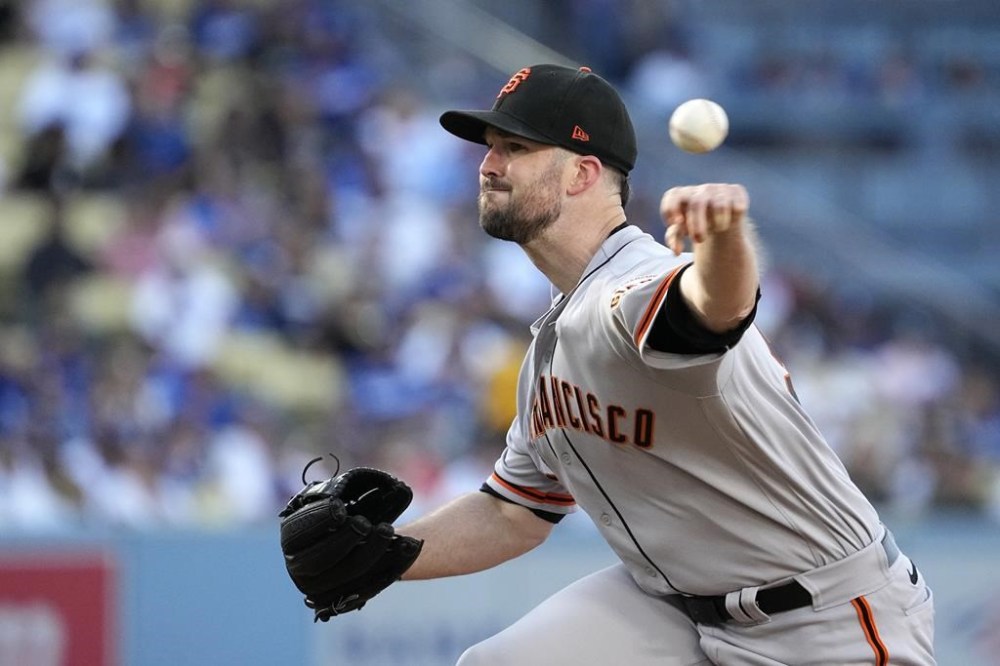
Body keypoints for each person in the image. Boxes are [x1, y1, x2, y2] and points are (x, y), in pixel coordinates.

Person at [397, 64, 935, 665]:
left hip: (821, 616)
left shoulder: (634, 285)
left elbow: (713, 309)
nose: (489, 164)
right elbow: (511, 512)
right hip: (673, 608)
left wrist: (725, 238)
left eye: (515, 148)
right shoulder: (554, 341)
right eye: (491, 147)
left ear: (583, 172)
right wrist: (385, 552)